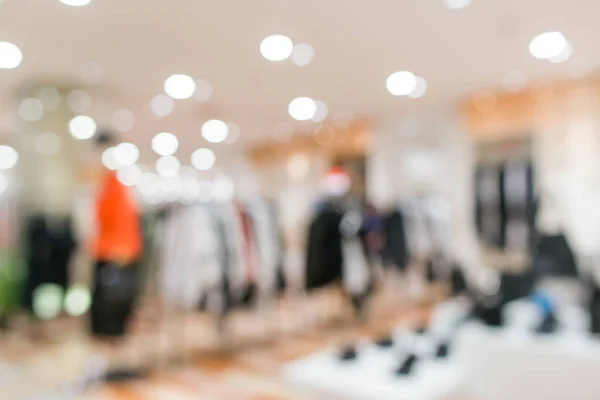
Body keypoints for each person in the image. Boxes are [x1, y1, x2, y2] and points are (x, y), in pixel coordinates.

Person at [90, 131, 143, 338]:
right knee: (107, 301)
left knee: (112, 302)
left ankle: (110, 343)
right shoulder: (107, 184)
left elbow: (123, 219)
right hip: (109, 250)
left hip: (116, 252)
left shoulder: (115, 184)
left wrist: (121, 249)